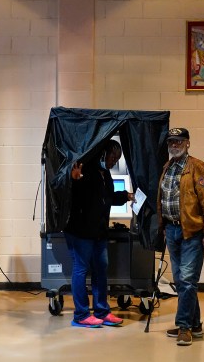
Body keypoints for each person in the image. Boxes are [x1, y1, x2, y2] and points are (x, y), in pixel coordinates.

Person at [156, 127, 204, 346]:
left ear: (188, 143)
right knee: (183, 282)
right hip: (172, 231)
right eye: (171, 142)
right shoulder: (168, 166)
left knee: (187, 281)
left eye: (179, 141)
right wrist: (163, 225)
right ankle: (196, 324)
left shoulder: (197, 167)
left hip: (192, 232)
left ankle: (184, 327)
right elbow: (164, 198)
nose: (175, 145)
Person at [65, 139, 135, 328]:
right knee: (80, 269)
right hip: (80, 231)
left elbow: (107, 198)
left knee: (101, 270)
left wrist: (127, 196)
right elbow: (69, 194)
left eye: (117, 159)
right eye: (113, 157)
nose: (114, 162)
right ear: (103, 153)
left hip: (98, 232)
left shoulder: (104, 173)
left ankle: (102, 312)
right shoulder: (84, 169)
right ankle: (80, 315)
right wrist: (73, 180)